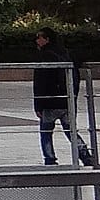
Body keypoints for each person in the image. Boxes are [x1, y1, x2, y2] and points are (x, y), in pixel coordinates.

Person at [30, 27, 92, 167]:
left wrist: (38, 105)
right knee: (71, 131)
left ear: (47, 39)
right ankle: (85, 155)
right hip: (66, 101)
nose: (37, 40)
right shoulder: (66, 54)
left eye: (39, 37)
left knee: (46, 132)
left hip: (49, 102)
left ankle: (50, 158)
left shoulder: (44, 56)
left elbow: (40, 83)